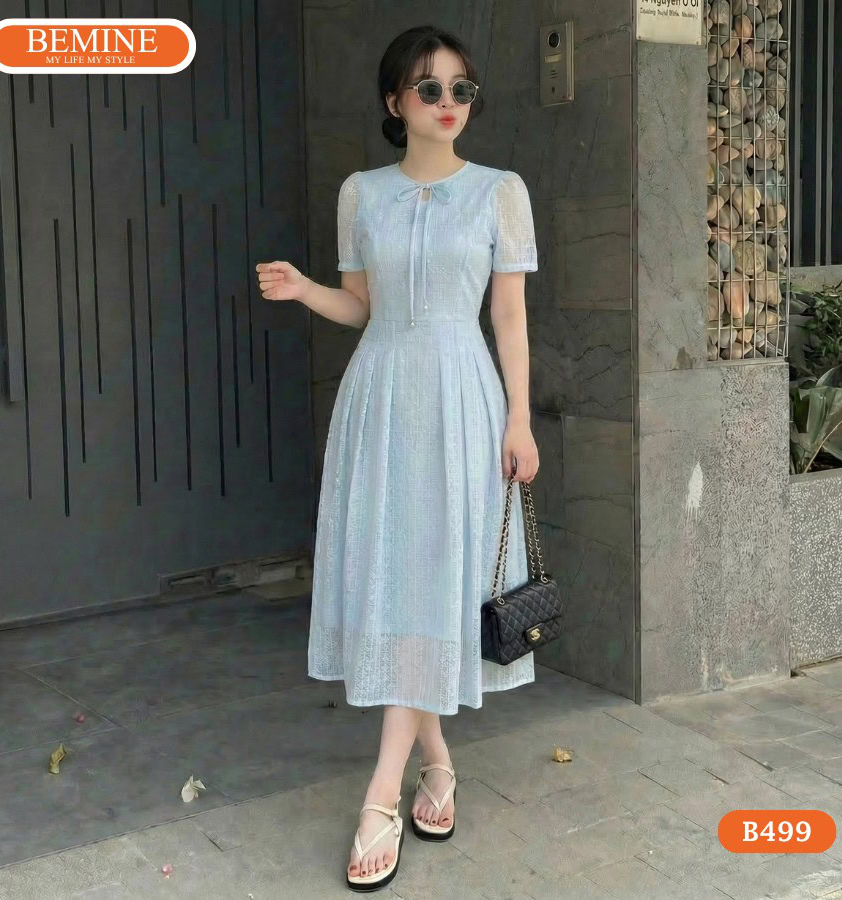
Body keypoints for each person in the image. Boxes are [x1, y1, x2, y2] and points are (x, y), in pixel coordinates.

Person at [256, 24, 540, 892]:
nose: (449, 103)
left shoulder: (500, 192)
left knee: (435, 580)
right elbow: (363, 308)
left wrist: (520, 421)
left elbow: (509, 317)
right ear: (395, 102)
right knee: (400, 578)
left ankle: (383, 789)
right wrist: (307, 291)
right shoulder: (362, 194)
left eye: (462, 89)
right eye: (430, 89)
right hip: (380, 400)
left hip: (463, 400)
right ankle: (437, 763)